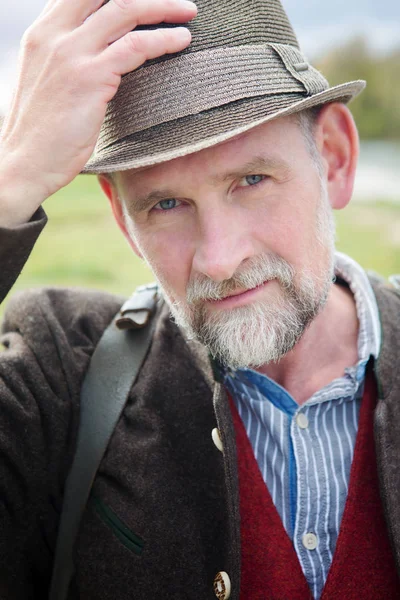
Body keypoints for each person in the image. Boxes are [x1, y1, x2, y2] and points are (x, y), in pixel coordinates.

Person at [0, 0, 399, 599]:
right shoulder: (60, 371)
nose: (219, 259)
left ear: (335, 159)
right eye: (165, 204)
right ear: (123, 218)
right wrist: (12, 181)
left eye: (252, 180)